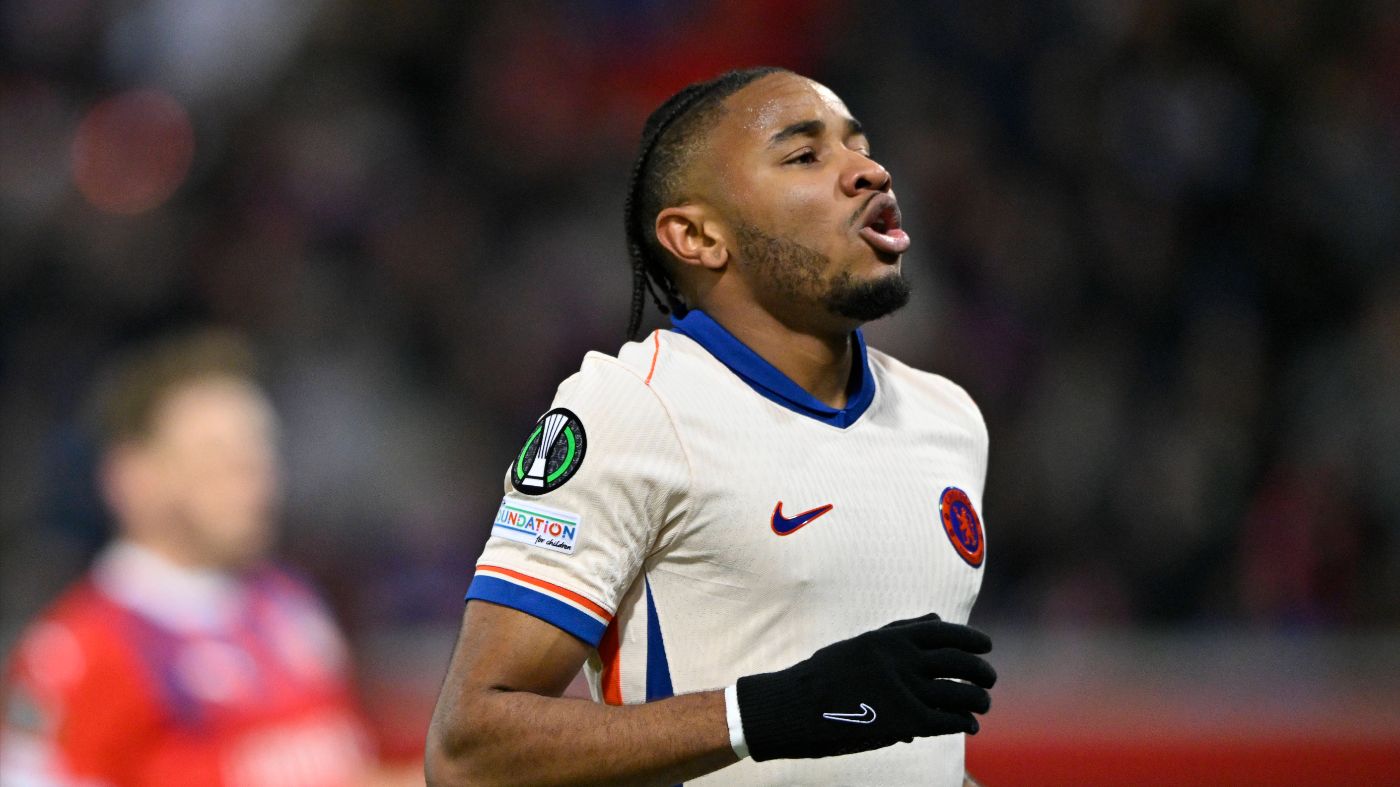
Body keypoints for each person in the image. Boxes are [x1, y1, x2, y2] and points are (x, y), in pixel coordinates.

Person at [427, 67, 996, 786]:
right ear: (697, 236)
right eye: (805, 155)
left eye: (859, 146)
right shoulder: (634, 407)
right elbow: (467, 752)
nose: (870, 172)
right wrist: (767, 712)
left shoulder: (948, 418)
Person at [0, 331, 399, 787]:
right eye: (217, 452)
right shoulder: (78, 656)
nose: (253, 472)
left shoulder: (291, 602)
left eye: (259, 446)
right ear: (134, 477)